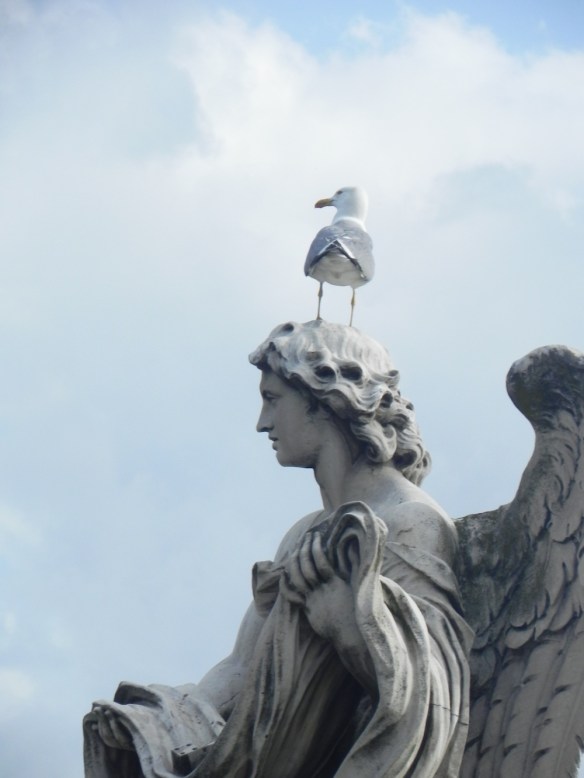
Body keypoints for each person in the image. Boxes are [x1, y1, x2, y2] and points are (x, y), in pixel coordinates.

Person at [84, 320, 473, 778]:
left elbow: (433, 699)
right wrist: (164, 722)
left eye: (272, 400)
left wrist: (345, 623)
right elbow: (243, 666)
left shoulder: (409, 520)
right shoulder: (304, 533)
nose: (262, 423)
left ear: (324, 400)